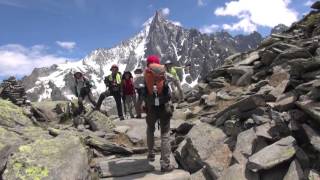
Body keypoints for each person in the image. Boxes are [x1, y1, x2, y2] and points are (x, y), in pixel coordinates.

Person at [143, 55, 175, 172]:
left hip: (151, 107)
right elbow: (175, 85)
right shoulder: (164, 74)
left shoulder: (145, 75)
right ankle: (165, 164)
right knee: (165, 134)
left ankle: (151, 154)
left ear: (148, 64)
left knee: (150, 130)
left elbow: (141, 92)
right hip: (165, 107)